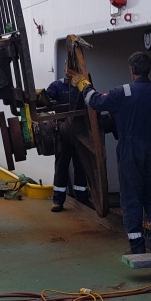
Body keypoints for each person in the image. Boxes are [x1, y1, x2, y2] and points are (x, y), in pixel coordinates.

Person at [69, 52, 151, 254]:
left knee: (131, 195)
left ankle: (136, 246)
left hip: (130, 151)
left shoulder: (123, 92)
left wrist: (83, 85)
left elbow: (95, 102)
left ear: (131, 70)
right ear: (148, 69)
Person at [44, 75, 89, 212]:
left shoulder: (82, 86)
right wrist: (42, 98)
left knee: (81, 166)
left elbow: (91, 100)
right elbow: (44, 100)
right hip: (61, 135)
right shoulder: (56, 86)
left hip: (80, 135)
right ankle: (58, 201)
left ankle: (82, 198)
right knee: (61, 167)